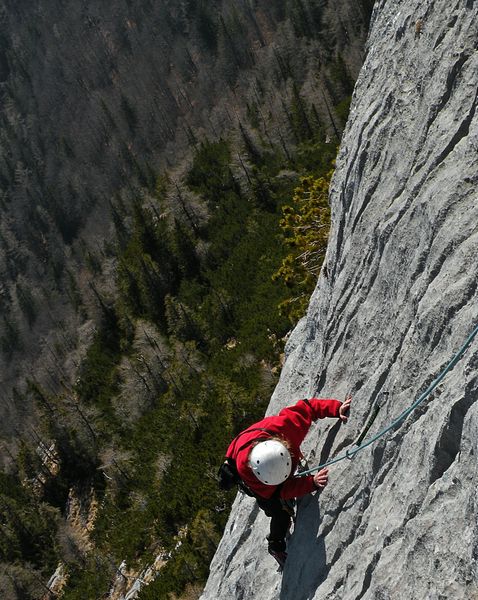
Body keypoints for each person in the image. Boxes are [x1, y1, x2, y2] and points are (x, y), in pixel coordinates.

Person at [218, 395, 352, 568]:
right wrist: (310, 483)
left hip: (250, 439)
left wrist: (336, 408)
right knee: (279, 513)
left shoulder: (285, 427)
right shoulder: (253, 478)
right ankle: (275, 545)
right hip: (239, 455)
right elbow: (281, 491)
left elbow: (309, 408)